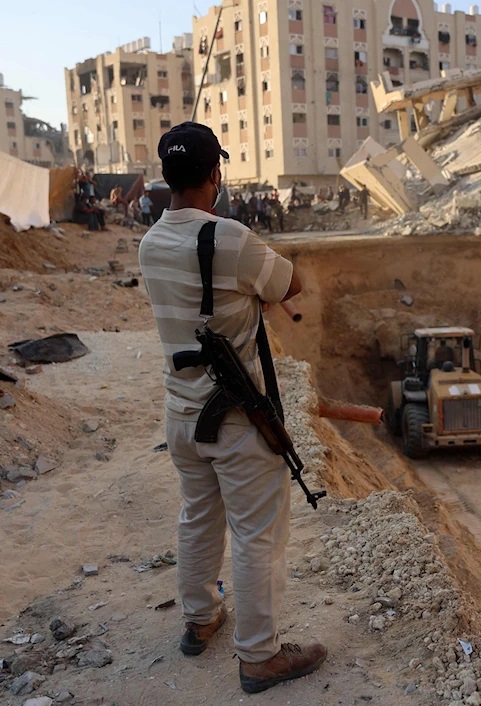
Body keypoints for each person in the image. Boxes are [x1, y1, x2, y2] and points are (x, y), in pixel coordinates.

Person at [137, 122, 326, 694]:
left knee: (198, 516)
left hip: (182, 416)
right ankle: (260, 656)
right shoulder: (231, 238)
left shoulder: (150, 243)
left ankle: (200, 618)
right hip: (237, 421)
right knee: (257, 535)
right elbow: (290, 285)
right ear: (214, 175)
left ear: (167, 177)